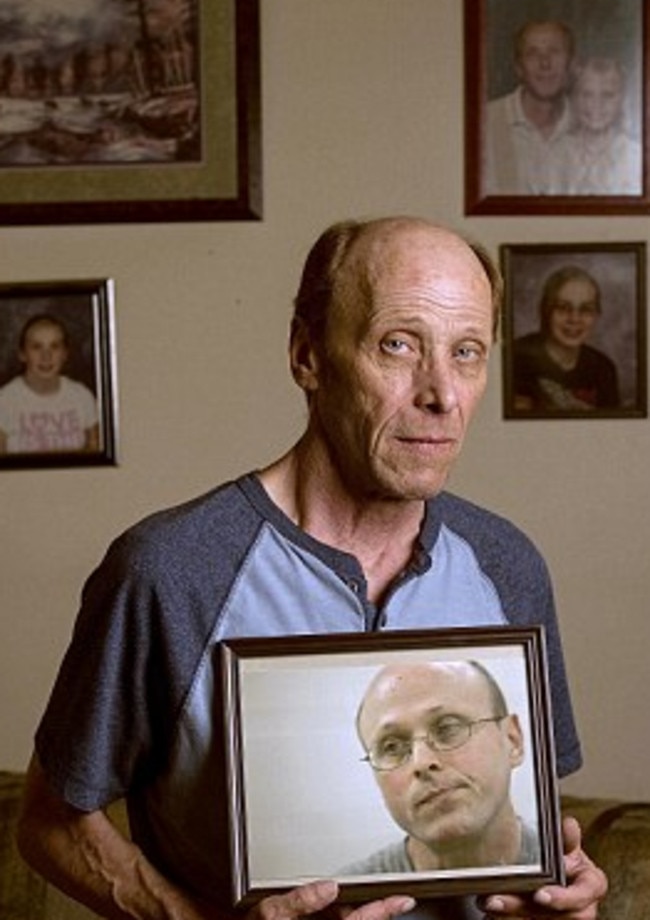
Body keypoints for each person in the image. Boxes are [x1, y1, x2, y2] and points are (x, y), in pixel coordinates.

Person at [17, 216, 607, 920]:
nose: (441, 393)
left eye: (468, 352)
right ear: (307, 355)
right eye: (398, 345)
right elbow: (49, 823)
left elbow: (525, 834)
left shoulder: (507, 563)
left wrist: (561, 898)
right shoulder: (170, 571)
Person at [343, 660, 538, 875]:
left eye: (447, 728)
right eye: (391, 747)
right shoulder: (343, 900)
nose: (422, 762)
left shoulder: (571, 869)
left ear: (513, 740)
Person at [512, 265, 620, 412]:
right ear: (546, 311)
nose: (574, 319)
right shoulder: (515, 359)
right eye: (563, 308)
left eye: (586, 309)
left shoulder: (603, 368)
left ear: (596, 315)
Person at [484, 20, 574, 195]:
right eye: (532, 54)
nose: (545, 64)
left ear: (571, 63)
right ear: (518, 67)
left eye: (554, 52)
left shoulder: (591, 125)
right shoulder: (484, 124)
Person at [0, 313, 99, 454]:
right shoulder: (5, 400)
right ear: (22, 354)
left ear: (65, 353)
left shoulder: (82, 396)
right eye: (36, 347)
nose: (46, 356)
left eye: (54, 346)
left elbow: (95, 458)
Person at [560, 56, 642, 195]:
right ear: (572, 99)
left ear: (623, 99)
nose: (596, 104)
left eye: (608, 95)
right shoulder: (557, 154)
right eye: (586, 95)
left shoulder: (636, 156)